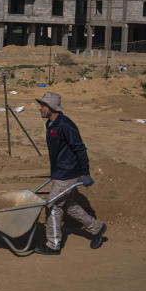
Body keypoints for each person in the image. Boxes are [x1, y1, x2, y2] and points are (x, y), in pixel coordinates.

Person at [33, 92, 106, 255]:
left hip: (68, 173)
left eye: (42, 106)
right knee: (69, 206)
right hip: (60, 172)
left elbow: (79, 148)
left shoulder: (66, 125)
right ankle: (97, 228)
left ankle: (53, 244)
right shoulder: (51, 124)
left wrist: (85, 172)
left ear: (51, 108)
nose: (39, 108)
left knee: (52, 206)